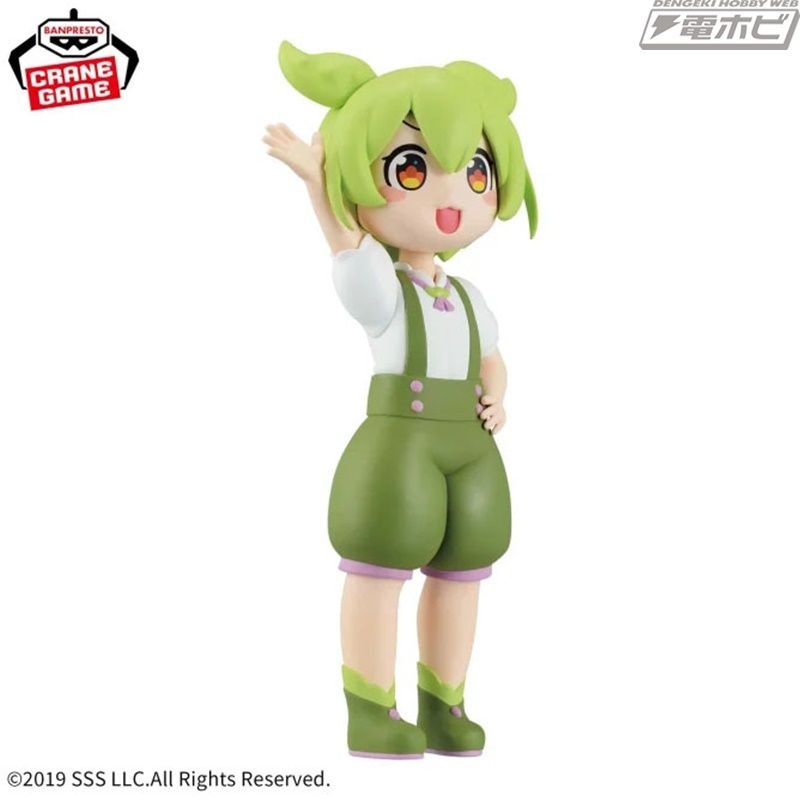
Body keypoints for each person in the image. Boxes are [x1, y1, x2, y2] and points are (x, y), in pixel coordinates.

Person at [264, 41, 537, 759]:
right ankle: (371, 711)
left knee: (463, 570)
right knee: (380, 566)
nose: (452, 196)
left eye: (474, 171)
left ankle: (446, 707)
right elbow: (347, 248)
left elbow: (492, 357)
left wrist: (497, 398)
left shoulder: (469, 296)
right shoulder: (384, 291)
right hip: (402, 442)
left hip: (469, 445)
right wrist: (316, 184)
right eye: (411, 168)